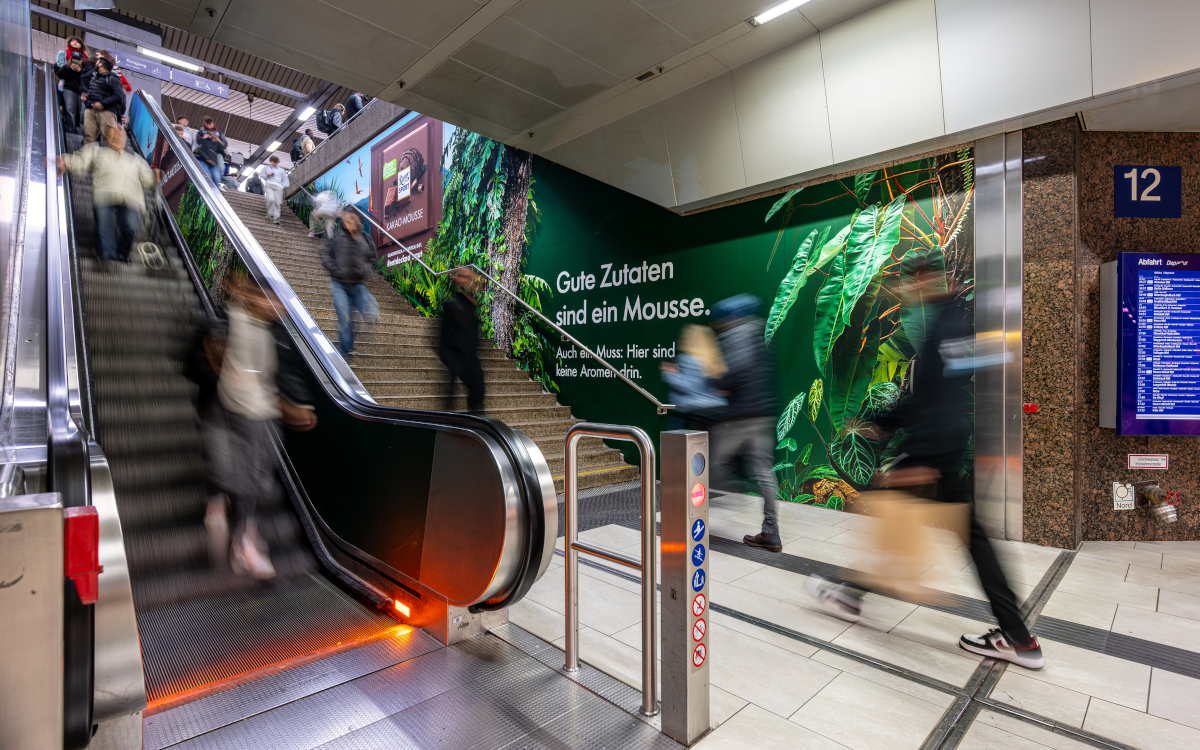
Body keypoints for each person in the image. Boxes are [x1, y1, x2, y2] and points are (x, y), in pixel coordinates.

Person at [806, 259, 1044, 669]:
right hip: (943, 449)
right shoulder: (951, 318)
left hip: (935, 451)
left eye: (913, 281)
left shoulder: (945, 325)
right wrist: (881, 426)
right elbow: (934, 392)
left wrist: (905, 447)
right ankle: (1019, 637)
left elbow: (933, 399)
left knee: (897, 524)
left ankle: (850, 594)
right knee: (960, 538)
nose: (910, 290)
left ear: (925, 280)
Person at [194, 276, 318, 579]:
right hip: (220, 411)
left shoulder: (276, 334)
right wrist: (216, 370)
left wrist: (297, 405)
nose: (271, 306)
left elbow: (282, 373)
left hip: (260, 415)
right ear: (248, 295)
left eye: (275, 301)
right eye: (264, 297)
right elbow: (194, 364)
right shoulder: (220, 322)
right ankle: (216, 507)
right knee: (222, 469)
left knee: (255, 477)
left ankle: (246, 540)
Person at [708, 294, 783, 552]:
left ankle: (727, 494)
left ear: (732, 316)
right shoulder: (762, 334)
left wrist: (717, 383)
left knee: (712, 463)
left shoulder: (736, 334)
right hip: (763, 414)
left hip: (739, 417)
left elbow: (734, 372)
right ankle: (771, 533)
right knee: (765, 474)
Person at [58, 120, 158, 262]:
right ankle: (107, 257)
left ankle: (123, 254)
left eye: (120, 130)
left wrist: (155, 177)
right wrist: (65, 160)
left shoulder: (135, 158)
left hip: (131, 198)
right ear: (105, 135)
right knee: (104, 227)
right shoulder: (96, 149)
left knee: (130, 227)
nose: (118, 132)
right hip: (104, 195)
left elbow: (149, 180)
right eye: (113, 129)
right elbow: (79, 161)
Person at [320, 210, 379, 358]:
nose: (352, 223)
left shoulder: (365, 237)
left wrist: (364, 269)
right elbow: (324, 253)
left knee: (366, 314)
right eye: (349, 221)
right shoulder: (335, 235)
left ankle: (349, 345)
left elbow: (372, 259)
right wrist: (336, 270)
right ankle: (346, 351)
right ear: (345, 222)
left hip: (358, 283)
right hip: (339, 284)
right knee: (345, 319)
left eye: (355, 220)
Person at [661, 324, 727, 431]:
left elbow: (689, 385)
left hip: (690, 412)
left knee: (678, 445)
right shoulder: (713, 358)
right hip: (712, 412)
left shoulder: (687, 358)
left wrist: (669, 374)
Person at [439, 268, 486, 414]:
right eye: (472, 282)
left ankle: (477, 423)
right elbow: (443, 343)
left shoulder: (471, 308)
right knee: (477, 390)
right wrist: (454, 366)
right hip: (460, 358)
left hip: (469, 358)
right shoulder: (453, 307)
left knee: (478, 390)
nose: (478, 287)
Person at [82, 56, 125, 145]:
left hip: (106, 112)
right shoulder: (94, 77)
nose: (96, 63)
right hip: (90, 109)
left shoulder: (113, 78)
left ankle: (110, 158)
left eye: (97, 62)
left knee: (109, 140)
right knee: (88, 138)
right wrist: (87, 98)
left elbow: (118, 97)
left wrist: (102, 103)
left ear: (101, 64)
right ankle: (87, 157)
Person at [54, 36, 88, 134]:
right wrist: (69, 66)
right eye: (72, 41)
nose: (75, 42)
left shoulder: (86, 58)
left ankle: (80, 132)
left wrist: (80, 70)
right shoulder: (64, 54)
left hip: (82, 89)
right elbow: (59, 72)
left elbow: (88, 75)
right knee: (70, 110)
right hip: (68, 87)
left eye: (77, 41)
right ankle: (71, 131)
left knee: (82, 113)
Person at [196, 115, 228, 189]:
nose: (208, 125)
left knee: (221, 167)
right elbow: (198, 141)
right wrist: (205, 137)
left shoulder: (219, 133)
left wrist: (216, 139)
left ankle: (217, 183)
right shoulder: (202, 131)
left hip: (217, 152)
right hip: (207, 152)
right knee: (209, 168)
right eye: (207, 124)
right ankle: (212, 184)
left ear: (213, 123)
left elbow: (224, 144)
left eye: (210, 124)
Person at [260, 155, 288, 224]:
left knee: (277, 202)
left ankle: (276, 218)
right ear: (270, 161)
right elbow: (261, 175)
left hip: (278, 186)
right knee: (271, 199)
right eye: (273, 162)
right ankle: (270, 213)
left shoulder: (281, 170)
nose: (274, 163)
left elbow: (285, 179)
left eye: (275, 162)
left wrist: (283, 186)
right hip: (269, 184)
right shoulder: (266, 168)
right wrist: (268, 175)